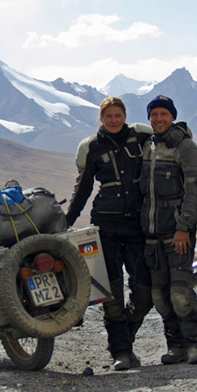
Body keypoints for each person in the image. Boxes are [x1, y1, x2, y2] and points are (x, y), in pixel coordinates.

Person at [65, 97, 154, 371]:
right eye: (108, 116)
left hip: (137, 226)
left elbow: (168, 135)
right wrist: (66, 220)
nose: (113, 120)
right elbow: (83, 188)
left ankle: (124, 338)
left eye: (118, 115)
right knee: (112, 293)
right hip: (106, 225)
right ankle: (121, 353)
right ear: (101, 119)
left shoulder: (140, 137)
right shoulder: (92, 147)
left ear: (125, 115)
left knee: (144, 292)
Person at [139, 95, 197, 365]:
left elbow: (196, 190)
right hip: (151, 235)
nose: (158, 119)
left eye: (163, 114)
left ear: (172, 116)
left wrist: (184, 227)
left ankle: (195, 345)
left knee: (180, 293)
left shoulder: (186, 147)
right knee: (160, 295)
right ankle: (176, 347)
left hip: (177, 234)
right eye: (153, 114)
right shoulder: (149, 147)